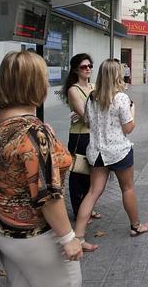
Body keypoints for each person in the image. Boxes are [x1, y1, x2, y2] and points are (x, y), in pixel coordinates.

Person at [0, 51, 83, 286]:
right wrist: (69, 238)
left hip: (6, 231)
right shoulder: (34, 132)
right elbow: (47, 195)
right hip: (36, 238)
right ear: (35, 83)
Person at [74, 59, 148, 251]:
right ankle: (136, 226)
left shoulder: (91, 97)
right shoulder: (121, 98)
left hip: (96, 152)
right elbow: (129, 128)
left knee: (93, 192)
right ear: (117, 75)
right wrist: (133, 111)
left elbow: (90, 123)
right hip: (119, 152)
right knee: (127, 188)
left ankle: (78, 237)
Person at [60, 53, 101, 235]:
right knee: (79, 174)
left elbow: (100, 111)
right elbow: (87, 118)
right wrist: (93, 114)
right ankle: (79, 211)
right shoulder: (73, 90)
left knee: (92, 174)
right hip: (80, 137)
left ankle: (88, 208)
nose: (88, 69)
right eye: (84, 67)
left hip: (95, 136)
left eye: (90, 66)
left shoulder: (94, 86)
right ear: (76, 69)